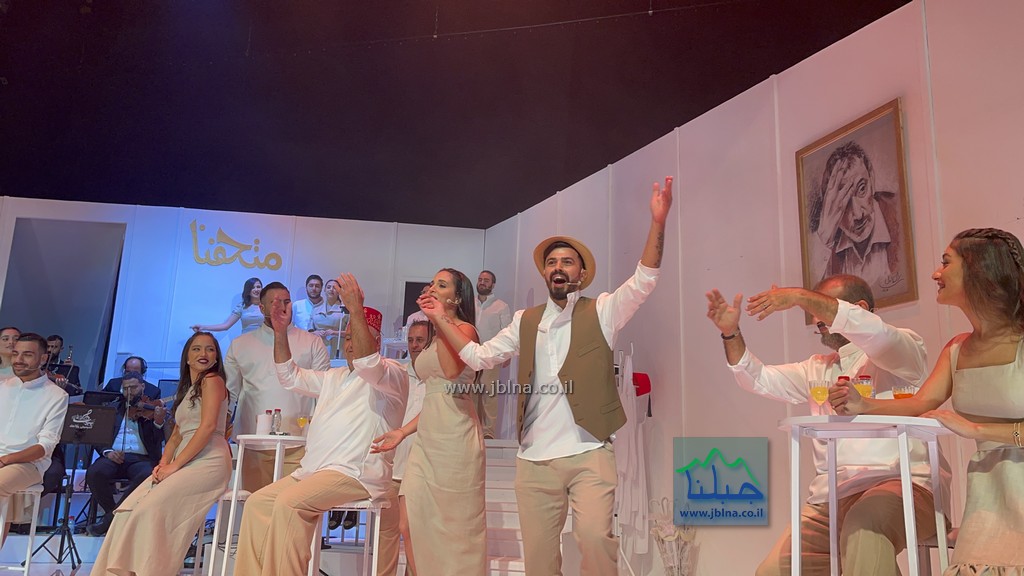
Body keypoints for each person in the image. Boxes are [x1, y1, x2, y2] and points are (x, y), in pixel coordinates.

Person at [418, 177, 673, 575]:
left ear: (581, 273)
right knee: (539, 562)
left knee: (595, 540)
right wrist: (439, 318)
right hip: (534, 460)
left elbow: (645, 280)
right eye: (552, 262)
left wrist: (658, 222)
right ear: (544, 273)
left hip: (589, 451)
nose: (558, 267)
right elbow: (479, 357)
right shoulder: (525, 320)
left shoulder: (603, 310)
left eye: (567, 261)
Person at [706, 274, 949, 576]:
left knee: (864, 525)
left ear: (860, 309)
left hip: (904, 486)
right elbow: (758, 379)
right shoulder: (818, 368)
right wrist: (731, 334)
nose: (814, 318)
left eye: (821, 306)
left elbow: (874, 333)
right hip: (833, 497)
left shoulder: (902, 348)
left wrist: (798, 296)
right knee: (773, 571)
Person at [830, 227, 1024, 574]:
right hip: (989, 492)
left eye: (946, 262)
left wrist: (975, 429)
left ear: (978, 269)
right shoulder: (956, 348)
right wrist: (862, 405)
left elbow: (965, 424)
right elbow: (919, 404)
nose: (936, 273)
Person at [234, 273, 406, 576]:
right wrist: (280, 332)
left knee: (289, 503)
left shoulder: (392, 374)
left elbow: (368, 363)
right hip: (314, 472)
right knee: (258, 503)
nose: (351, 345)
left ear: (376, 341)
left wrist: (355, 309)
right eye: (348, 338)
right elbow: (289, 376)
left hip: (355, 473)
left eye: (358, 336)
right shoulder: (334, 376)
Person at [91, 332, 231, 576]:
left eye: (210, 349)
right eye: (197, 349)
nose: (203, 354)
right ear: (187, 357)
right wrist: (164, 462)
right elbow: (176, 435)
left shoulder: (213, 380)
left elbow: (207, 427)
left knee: (150, 510)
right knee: (127, 511)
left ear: (216, 357)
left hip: (208, 460)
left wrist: (174, 466)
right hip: (183, 459)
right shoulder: (188, 389)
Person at [374, 270, 484, 575]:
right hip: (426, 437)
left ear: (457, 297)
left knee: (452, 527)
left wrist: (438, 318)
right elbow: (435, 396)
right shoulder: (435, 335)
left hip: (456, 436)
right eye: (432, 283)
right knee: (408, 523)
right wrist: (402, 431)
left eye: (441, 285)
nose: (433, 288)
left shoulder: (466, 330)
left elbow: (450, 372)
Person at [224, 281, 330, 491]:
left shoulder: (312, 342)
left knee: (293, 504)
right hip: (253, 442)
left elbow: (324, 392)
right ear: (261, 308)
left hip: (299, 443)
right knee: (255, 502)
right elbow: (229, 394)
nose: (281, 307)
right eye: (274, 303)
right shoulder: (240, 344)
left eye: (286, 302)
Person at [0, 333, 68, 549]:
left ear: (43, 358)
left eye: (27, 355)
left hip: (28, 463)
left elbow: (44, 447)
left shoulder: (56, 396)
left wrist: (5, 460)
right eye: (15, 354)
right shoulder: (3, 387)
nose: (19, 360)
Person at [809, 141, 904, 289]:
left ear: (872, 178)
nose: (858, 215)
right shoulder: (828, 253)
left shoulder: (898, 213)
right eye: (843, 202)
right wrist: (824, 238)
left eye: (862, 189)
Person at [85, 370, 167, 535]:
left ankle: (109, 520)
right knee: (95, 472)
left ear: (142, 386)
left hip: (141, 458)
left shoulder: (151, 409)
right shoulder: (113, 408)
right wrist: (108, 452)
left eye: (134, 388)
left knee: (147, 475)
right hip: (114, 456)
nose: (129, 392)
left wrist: (158, 422)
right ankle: (113, 515)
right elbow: (98, 436)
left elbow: (158, 441)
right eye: (126, 388)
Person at [391, 320, 431, 575]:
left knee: (415, 531)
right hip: (394, 465)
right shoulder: (397, 374)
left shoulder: (439, 378)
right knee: (393, 532)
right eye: (411, 340)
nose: (415, 345)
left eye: (420, 340)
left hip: (423, 466)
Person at [474, 270, 512, 439]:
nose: (482, 282)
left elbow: (507, 332)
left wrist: (507, 354)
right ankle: (474, 430)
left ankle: (488, 433)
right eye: (480, 279)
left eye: (486, 280)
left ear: (493, 284)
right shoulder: (470, 303)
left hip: (491, 356)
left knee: (489, 394)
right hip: (471, 355)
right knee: (471, 393)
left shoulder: (501, 306)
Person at [190, 277, 264, 335]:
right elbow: (225, 326)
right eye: (252, 287)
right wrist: (203, 327)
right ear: (248, 290)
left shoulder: (267, 305)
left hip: (265, 341)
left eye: (258, 287)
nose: (256, 289)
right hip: (247, 341)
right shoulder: (242, 306)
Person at [311, 278, 348, 358]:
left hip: (338, 349)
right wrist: (315, 333)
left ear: (339, 291)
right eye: (328, 287)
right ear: (324, 290)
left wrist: (334, 332)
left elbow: (351, 333)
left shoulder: (345, 310)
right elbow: (308, 331)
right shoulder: (316, 309)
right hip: (318, 348)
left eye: (334, 288)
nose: (331, 290)